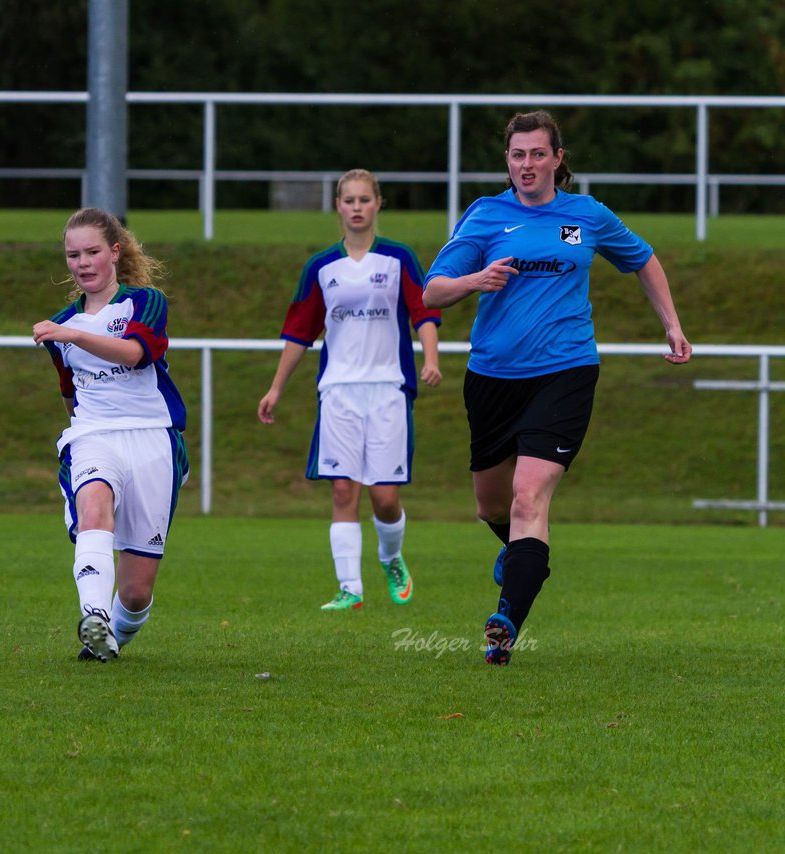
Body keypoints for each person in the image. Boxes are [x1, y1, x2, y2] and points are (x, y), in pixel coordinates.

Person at [423, 110, 691, 665]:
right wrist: (476, 280)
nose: (527, 164)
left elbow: (642, 259)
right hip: (493, 377)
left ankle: (506, 623)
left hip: (566, 372)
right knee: (490, 504)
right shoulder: (485, 216)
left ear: (557, 158)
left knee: (529, 495)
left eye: (538, 154)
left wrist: (671, 323)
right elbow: (433, 293)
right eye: (518, 155)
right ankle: (527, 561)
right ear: (508, 161)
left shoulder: (586, 215)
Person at [258, 169, 442, 612]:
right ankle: (350, 589)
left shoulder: (398, 259)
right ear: (337, 206)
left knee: (385, 497)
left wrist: (431, 359)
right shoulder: (321, 267)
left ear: (378, 204)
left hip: (388, 391)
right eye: (349, 200)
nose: (357, 207)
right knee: (343, 491)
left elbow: (424, 312)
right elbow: (300, 332)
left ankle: (391, 556)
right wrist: (276, 388)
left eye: (365, 199)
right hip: (338, 391)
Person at [33, 208, 189, 662]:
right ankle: (94, 617)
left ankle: (114, 632)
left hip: (152, 438)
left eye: (92, 252)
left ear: (115, 253)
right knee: (93, 504)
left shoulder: (146, 302)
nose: (82, 262)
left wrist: (74, 336)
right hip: (93, 435)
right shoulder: (63, 325)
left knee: (137, 592)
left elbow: (135, 355)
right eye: (72, 255)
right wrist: (68, 336)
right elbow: (71, 394)